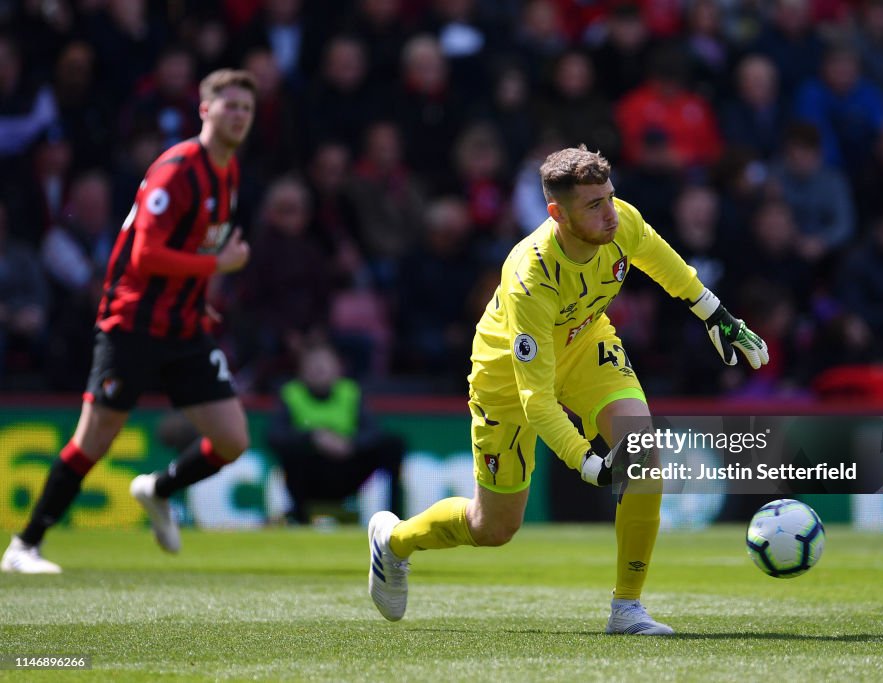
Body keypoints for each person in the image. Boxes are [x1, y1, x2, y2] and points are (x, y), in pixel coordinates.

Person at [367, 146, 769, 634]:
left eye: (609, 197)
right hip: (507, 384)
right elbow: (537, 398)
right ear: (556, 213)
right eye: (593, 205)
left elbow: (666, 265)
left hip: (584, 346)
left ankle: (627, 608)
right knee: (492, 528)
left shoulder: (622, 222)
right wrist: (589, 463)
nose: (609, 214)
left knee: (644, 453)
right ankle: (394, 542)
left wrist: (717, 316)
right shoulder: (530, 275)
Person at [1, 69, 256, 574]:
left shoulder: (227, 172)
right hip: (133, 324)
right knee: (94, 440)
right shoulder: (179, 168)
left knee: (232, 440)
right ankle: (24, 546)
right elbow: (146, 253)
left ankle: (157, 489)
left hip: (183, 326)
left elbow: (191, 244)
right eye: (229, 105)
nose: (239, 116)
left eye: (246, 108)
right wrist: (216, 268)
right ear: (204, 110)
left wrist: (197, 292)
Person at [268, 342, 404, 524]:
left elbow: (374, 431)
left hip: (348, 468)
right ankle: (299, 518)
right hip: (310, 472)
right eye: (313, 364)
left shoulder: (351, 392)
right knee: (292, 453)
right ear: (301, 370)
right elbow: (274, 436)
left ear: (338, 368)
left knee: (394, 445)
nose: (319, 369)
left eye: (324, 364)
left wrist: (350, 444)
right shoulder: (290, 393)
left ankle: (394, 521)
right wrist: (313, 438)